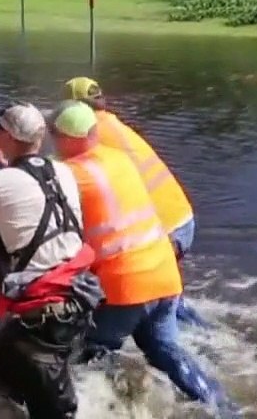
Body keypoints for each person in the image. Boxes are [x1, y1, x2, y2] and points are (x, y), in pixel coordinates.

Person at [49, 102, 238, 415]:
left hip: (126, 285)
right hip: (165, 274)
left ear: (68, 137)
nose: (52, 141)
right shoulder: (118, 159)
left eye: (55, 135)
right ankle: (224, 409)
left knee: (93, 352)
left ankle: (114, 410)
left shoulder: (70, 174)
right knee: (164, 351)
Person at [0, 102, 102, 418]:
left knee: (54, 410)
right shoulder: (62, 170)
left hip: (44, 312)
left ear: (8, 137)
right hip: (80, 292)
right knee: (11, 366)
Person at [64, 77, 206, 328]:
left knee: (144, 304)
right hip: (182, 218)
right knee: (164, 301)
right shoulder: (112, 124)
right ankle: (207, 335)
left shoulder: (91, 138)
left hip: (161, 230)